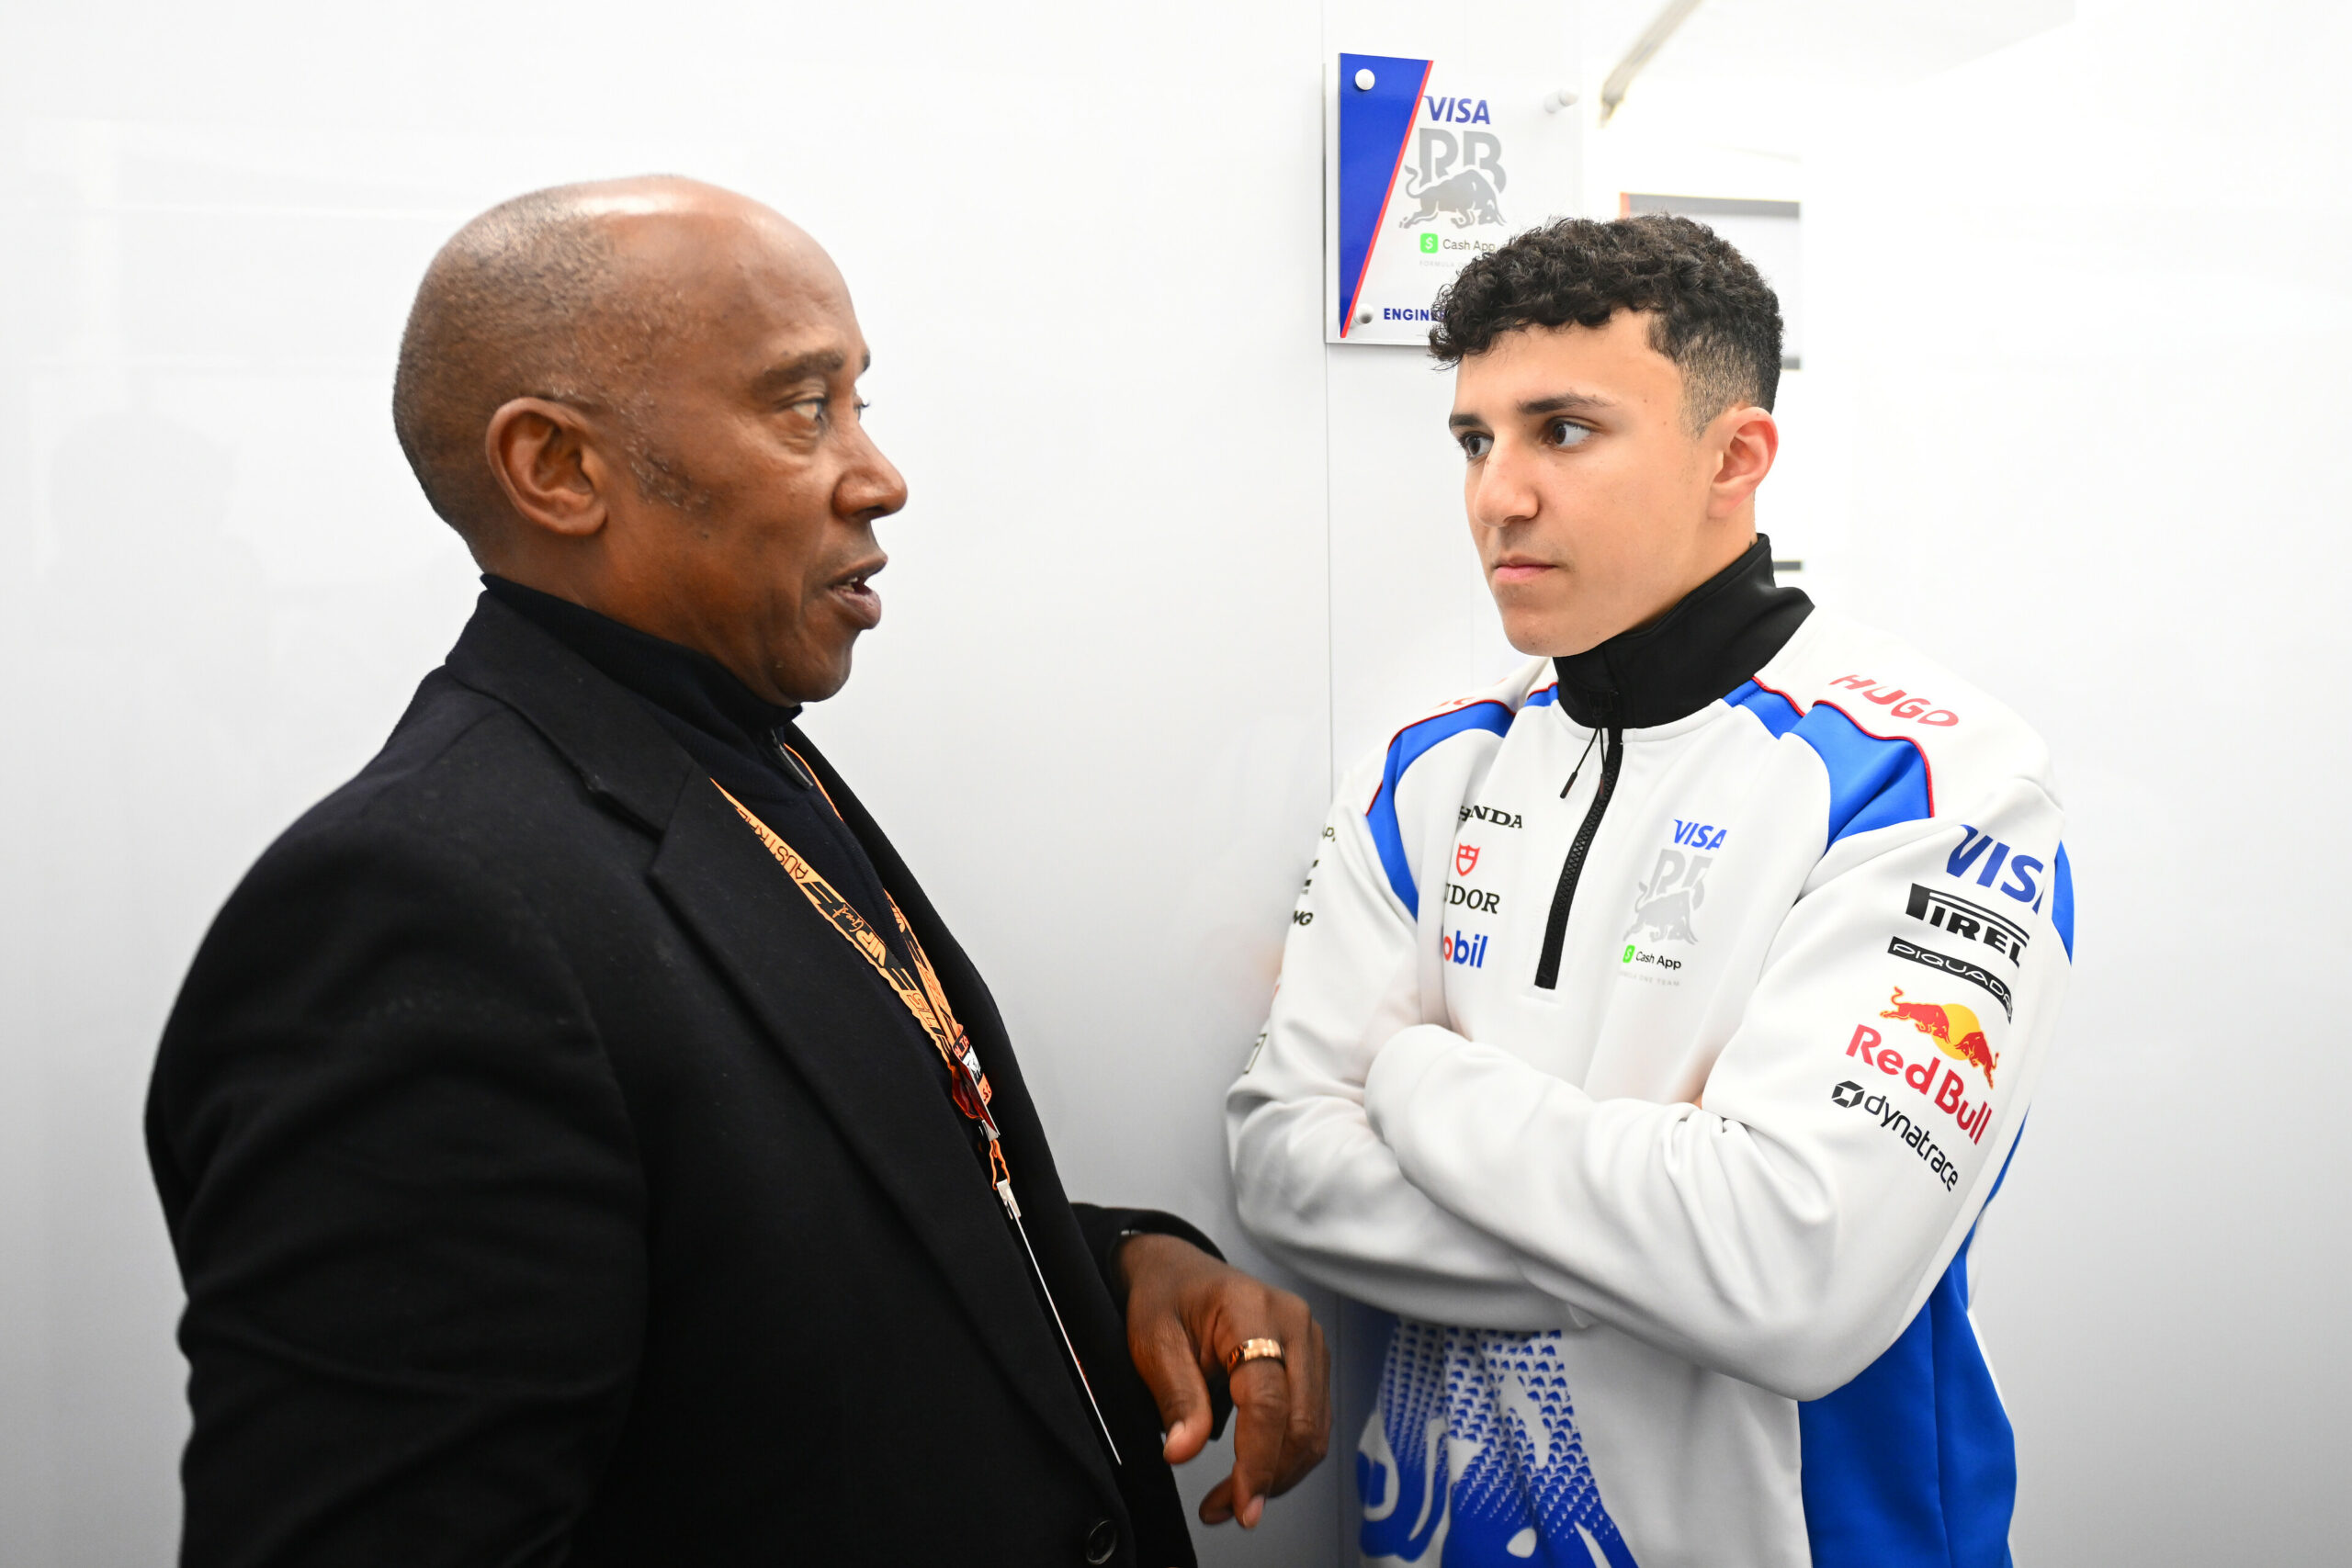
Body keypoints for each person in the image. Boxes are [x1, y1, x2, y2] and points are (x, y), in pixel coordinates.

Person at [145, 176, 1329, 1568]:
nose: (879, 473)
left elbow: (774, 1231)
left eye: (859, 401)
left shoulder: (717, 747)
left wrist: (1116, 1266)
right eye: (802, 406)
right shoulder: (418, 910)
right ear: (559, 468)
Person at [1227, 215, 2073, 1568]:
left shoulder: (1932, 779)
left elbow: (1793, 1277)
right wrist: (1670, 1254)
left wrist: (1416, 1085)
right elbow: (1281, 1168)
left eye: (1562, 430)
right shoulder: (1430, 767)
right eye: (1474, 440)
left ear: (1736, 458)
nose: (1498, 494)